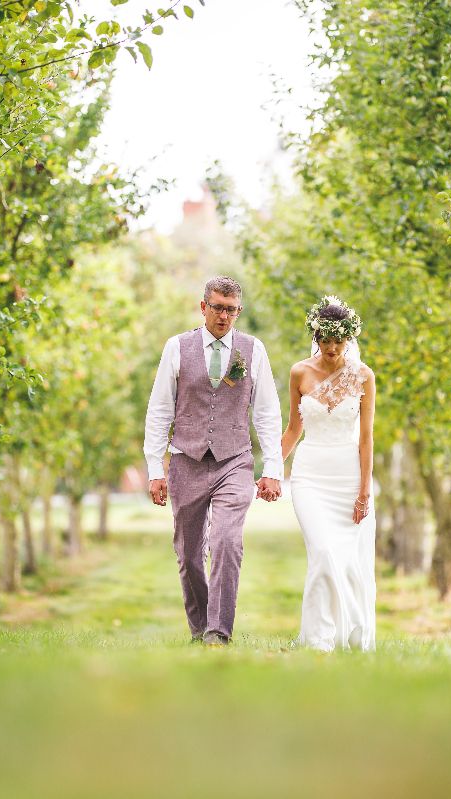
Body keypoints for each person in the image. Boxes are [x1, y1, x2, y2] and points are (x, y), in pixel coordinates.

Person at [143, 276, 283, 646]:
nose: (224, 316)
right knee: (188, 554)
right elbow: (159, 410)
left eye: (231, 309)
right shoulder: (177, 347)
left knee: (226, 542)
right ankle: (200, 625)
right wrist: (155, 469)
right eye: (218, 307)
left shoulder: (252, 350)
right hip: (186, 460)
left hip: (234, 461)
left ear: (239, 311)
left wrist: (272, 469)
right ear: (203, 306)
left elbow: (266, 412)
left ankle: (218, 632)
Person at [281, 295, 377, 651]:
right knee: (322, 550)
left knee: (345, 559)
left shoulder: (364, 376)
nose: (333, 348)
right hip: (308, 475)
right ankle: (319, 638)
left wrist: (364, 491)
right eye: (326, 340)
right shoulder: (299, 372)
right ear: (316, 335)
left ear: (349, 338)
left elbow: (366, 438)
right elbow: (293, 430)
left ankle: (347, 630)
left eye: (339, 341)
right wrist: (272, 471)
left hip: (348, 475)